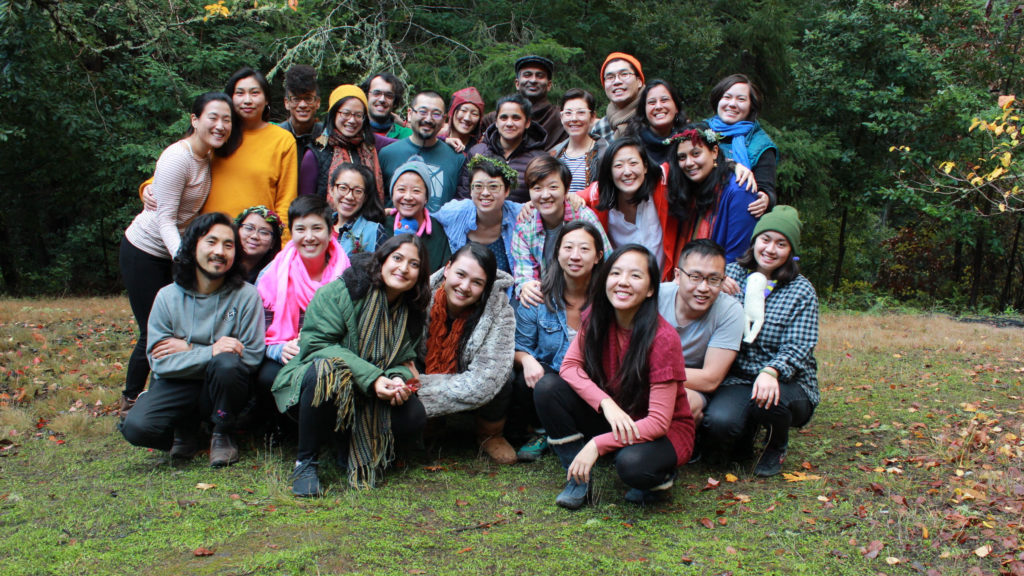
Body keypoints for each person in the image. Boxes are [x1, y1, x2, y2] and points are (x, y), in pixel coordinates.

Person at [271, 234, 432, 495]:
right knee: (323, 372)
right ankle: (306, 462)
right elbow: (317, 345)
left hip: (368, 389)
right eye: (398, 258)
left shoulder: (410, 310)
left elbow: (403, 358)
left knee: (413, 415)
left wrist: (397, 378)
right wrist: (373, 378)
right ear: (382, 259)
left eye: (414, 264)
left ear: (420, 274)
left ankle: (346, 443)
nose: (403, 269)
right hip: (317, 378)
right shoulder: (345, 289)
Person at [536, 245, 693, 508]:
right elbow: (570, 367)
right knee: (548, 388)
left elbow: (658, 423)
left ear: (651, 289)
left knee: (632, 465)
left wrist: (597, 444)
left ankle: (660, 475)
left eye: (635, 276)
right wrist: (606, 404)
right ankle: (577, 476)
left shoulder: (663, 339)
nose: (623, 282)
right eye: (616, 273)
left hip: (662, 432)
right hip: (617, 415)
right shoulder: (596, 317)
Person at [119, 92, 241, 416]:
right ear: (194, 120)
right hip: (144, 249)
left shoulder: (209, 157)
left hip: (174, 250)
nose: (220, 125)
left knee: (176, 328)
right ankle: (131, 398)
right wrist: (185, 261)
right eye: (212, 117)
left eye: (226, 119)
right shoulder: (178, 157)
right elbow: (164, 218)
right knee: (151, 328)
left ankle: (163, 392)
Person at [120, 213, 265, 467]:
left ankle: (222, 433)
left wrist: (187, 350)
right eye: (211, 242)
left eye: (228, 245)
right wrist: (210, 351)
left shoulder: (246, 295)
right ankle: (186, 429)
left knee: (227, 364)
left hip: (221, 388)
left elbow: (251, 356)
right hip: (176, 385)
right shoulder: (167, 297)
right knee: (136, 428)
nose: (219, 251)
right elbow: (160, 363)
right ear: (193, 246)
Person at [704, 206, 819, 477]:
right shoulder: (730, 274)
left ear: (790, 250)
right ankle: (743, 436)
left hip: (787, 380)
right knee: (719, 423)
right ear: (754, 241)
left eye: (781, 244)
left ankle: (776, 444)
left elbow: (799, 345)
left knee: (770, 399)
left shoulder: (801, 290)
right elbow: (699, 311)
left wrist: (772, 371)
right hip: (739, 377)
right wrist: (714, 288)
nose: (770, 249)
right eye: (765, 240)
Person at [139, 67, 298, 235]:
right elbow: (183, 159)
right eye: (240, 93)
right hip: (209, 236)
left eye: (254, 93)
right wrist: (149, 186)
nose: (247, 100)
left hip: (255, 240)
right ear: (230, 98)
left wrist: (282, 246)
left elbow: (286, 201)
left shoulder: (282, 140)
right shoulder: (218, 133)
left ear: (266, 99)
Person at [512, 220, 605, 462]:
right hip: (551, 385)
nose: (575, 256)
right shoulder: (537, 296)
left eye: (584, 249)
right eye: (568, 248)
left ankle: (589, 435)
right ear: (557, 252)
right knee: (526, 379)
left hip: (594, 387)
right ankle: (543, 431)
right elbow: (518, 346)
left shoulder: (610, 299)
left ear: (598, 256)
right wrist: (527, 359)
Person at [417, 244, 517, 464]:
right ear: (447, 268)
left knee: (504, 377)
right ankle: (430, 424)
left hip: (469, 376)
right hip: (423, 369)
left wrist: (418, 390)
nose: (464, 286)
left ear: (486, 286)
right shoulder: (419, 297)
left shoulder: (501, 312)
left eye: (477, 282)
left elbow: (486, 379)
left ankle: (490, 434)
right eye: (460, 274)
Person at [255, 196, 350, 406]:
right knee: (268, 376)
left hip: (330, 354)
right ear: (291, 231)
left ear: (330, 230)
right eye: (300, 229)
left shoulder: (347, 274)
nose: (309, 237)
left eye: (317, 228)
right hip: (286, 352)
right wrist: (278, 349)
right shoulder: (271, 274)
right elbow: (255, 332)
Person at [656, 240, 743, 427]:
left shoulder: (730, 311)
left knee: (683, 402)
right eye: (695, 277)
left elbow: (710, 379)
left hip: (691, 385)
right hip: (648, 375)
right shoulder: (655, 298)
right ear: (678, 275)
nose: (704, 288)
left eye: (713, 279)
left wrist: (652, 375)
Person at [512, 155, 610, 306]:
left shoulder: (583, 217)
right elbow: (524, 272)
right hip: (547, 301)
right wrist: (526, 285)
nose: (545, 195)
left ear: (566, 189)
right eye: (537, 188)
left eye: (553, 187)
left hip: (588, 296)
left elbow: (608, 262)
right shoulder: (525, 225)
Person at [578, 137, 680, 281]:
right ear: (609, 172)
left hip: (663, 285)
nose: (627, 172)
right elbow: (569, 198)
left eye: (633, 163)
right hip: (624, 288)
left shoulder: (662, 184)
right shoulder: (598, 195)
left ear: (645, 167)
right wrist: (533, 206)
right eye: (618, 166)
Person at [666, 123, 766, 261]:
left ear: (714, 152)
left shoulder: (739, 191)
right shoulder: (689, 188)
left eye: (696, 153)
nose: (688, 162)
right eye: (682, 157)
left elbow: (737, 258)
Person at [432, 155, 522, 282]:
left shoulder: (519, 215)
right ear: (470, 190)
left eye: (493, 187)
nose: (485, 193)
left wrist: (534, 204)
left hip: (505, 295)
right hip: (462, 289)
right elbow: (425, 220)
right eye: (478, 186)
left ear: (507, 190)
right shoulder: (456, 212)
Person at [378, 91, 466, 212]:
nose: (428, 119)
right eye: (422, 112)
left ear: (444, 119)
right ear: (410, 114)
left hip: (438, 230)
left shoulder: (456, 158)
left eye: (436, 114)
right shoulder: (387, 154)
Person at [707, 74, 779, 209]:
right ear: (718, 100)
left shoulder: (761, 144)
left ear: (751, 106)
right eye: (727, 97)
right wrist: (732, 165)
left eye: (741, 99)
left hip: (737, 213)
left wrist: (765, 198)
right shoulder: (699, 132)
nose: (732, 104)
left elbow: (766, 188)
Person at [459, 94, 548, 203]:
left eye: (516, 118)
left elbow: (544, 199)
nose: (509, 123)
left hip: (522, 219)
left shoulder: (539, 159)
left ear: (527, 122)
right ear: (496, 122)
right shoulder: (478, 152)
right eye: (504, 118)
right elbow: (463, 197)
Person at [313, 85, 384, 201]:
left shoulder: (369, 149)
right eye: (345, 114)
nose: (352, 120)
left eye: (358, 115)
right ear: (334, 114)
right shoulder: (317, 151)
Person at [479, 56, 565, 150]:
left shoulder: (561, 118)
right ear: (517, 83)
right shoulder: (494, 119)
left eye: (539, 76)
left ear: (549, 85)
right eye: (527, 75)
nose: (533, 80)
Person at [382, 160, 451, 273]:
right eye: (401, 189)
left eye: (416, 191)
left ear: (426, 198)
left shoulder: (437, 231)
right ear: (392, 194)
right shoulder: (383, 224)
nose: (408, 197)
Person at [549, 89, 606, 195]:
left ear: (592, 117)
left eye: (581, 112)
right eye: (568, 113)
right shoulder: (553, 155)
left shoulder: (604, 153)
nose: (574, 118)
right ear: (561, 117)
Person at [279, 64, 323, 197]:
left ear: (317, 103)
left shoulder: (326, 134)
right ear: (287, 103)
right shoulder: (278, 136)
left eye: (308, 98)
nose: (302, 105)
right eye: (296, 99)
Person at [326, 163, 386, 256]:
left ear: (365, 197)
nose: (349, 196)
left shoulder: (374, 232)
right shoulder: (320, 225)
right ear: (331, 190)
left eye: (358, 191)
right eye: (343, 188)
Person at [626, 79, 688, 166]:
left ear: (676, 107)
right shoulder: (632, 144)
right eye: (652, 102)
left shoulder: (688, 139)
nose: (658, 106)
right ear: (644, 110)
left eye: (664, 100)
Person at [590, 52, 645, 142]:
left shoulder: (652, 117)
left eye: (624, 74)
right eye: (610, 77)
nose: (617, 81)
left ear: (639, 81)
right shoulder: (600, 128)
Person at [235, 205, 284, 283]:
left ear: (273, 243)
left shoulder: (276, 277)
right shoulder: (223, 265)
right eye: (249, 228)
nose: (255, 236)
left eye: (264, 233)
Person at [360, 72, 412, 140]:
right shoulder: (353, 132)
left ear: (395, 102)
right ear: (366, 96)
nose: (382, 100)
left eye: (389, 95)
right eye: (376, 93)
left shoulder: (408, 137)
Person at [438, 87, 485, 156]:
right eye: (463, 110)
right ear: (452, 112)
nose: (467, 118)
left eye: (474, 114)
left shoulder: (480, 150)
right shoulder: (434, 139)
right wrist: (444, 140)